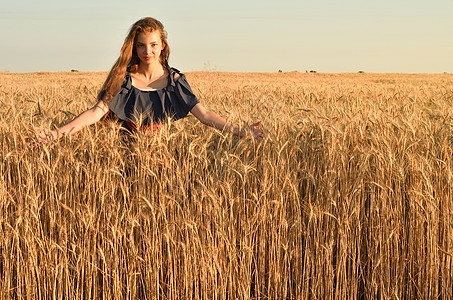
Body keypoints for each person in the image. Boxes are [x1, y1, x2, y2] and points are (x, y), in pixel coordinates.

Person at [33, 17, 263, 144]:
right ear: (134, 47)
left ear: (162, 45)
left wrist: (240, 130)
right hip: (124, 160)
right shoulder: (123, 80)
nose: (147, 51)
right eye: (141, 45)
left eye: (153, 45)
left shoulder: (174, 81)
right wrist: (55, 134)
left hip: (162, 160)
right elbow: (95, 113)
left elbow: (203, 114)